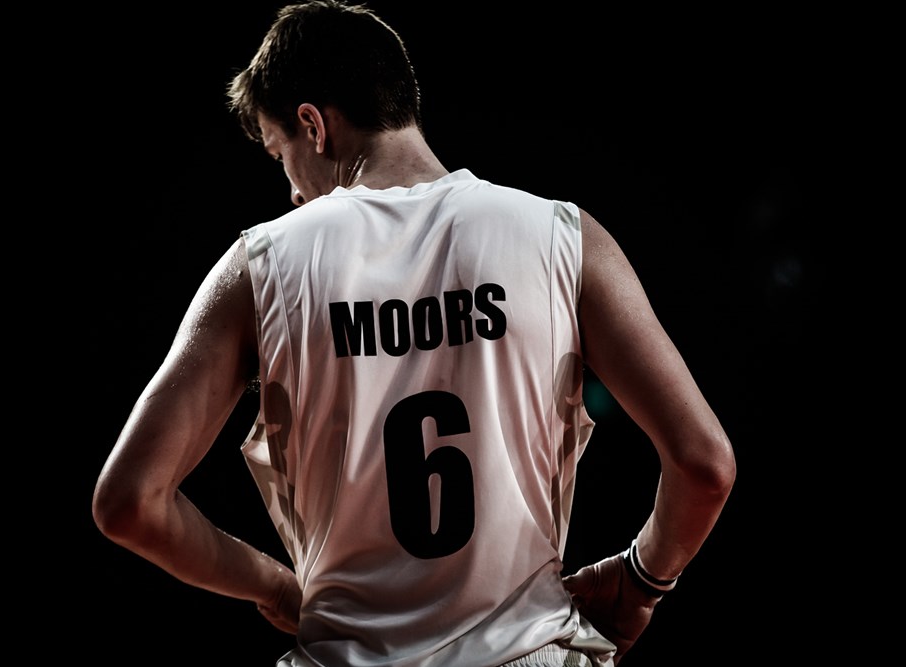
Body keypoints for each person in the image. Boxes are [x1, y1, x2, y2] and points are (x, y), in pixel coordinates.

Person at [92, 2, 736, 665]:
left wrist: (274, 585)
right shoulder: (563, 237)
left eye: (280, 154)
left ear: (313, 125)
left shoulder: (258, 267)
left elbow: (130, 502)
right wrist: (642, 580)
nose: (291, 192)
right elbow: (705, 463)